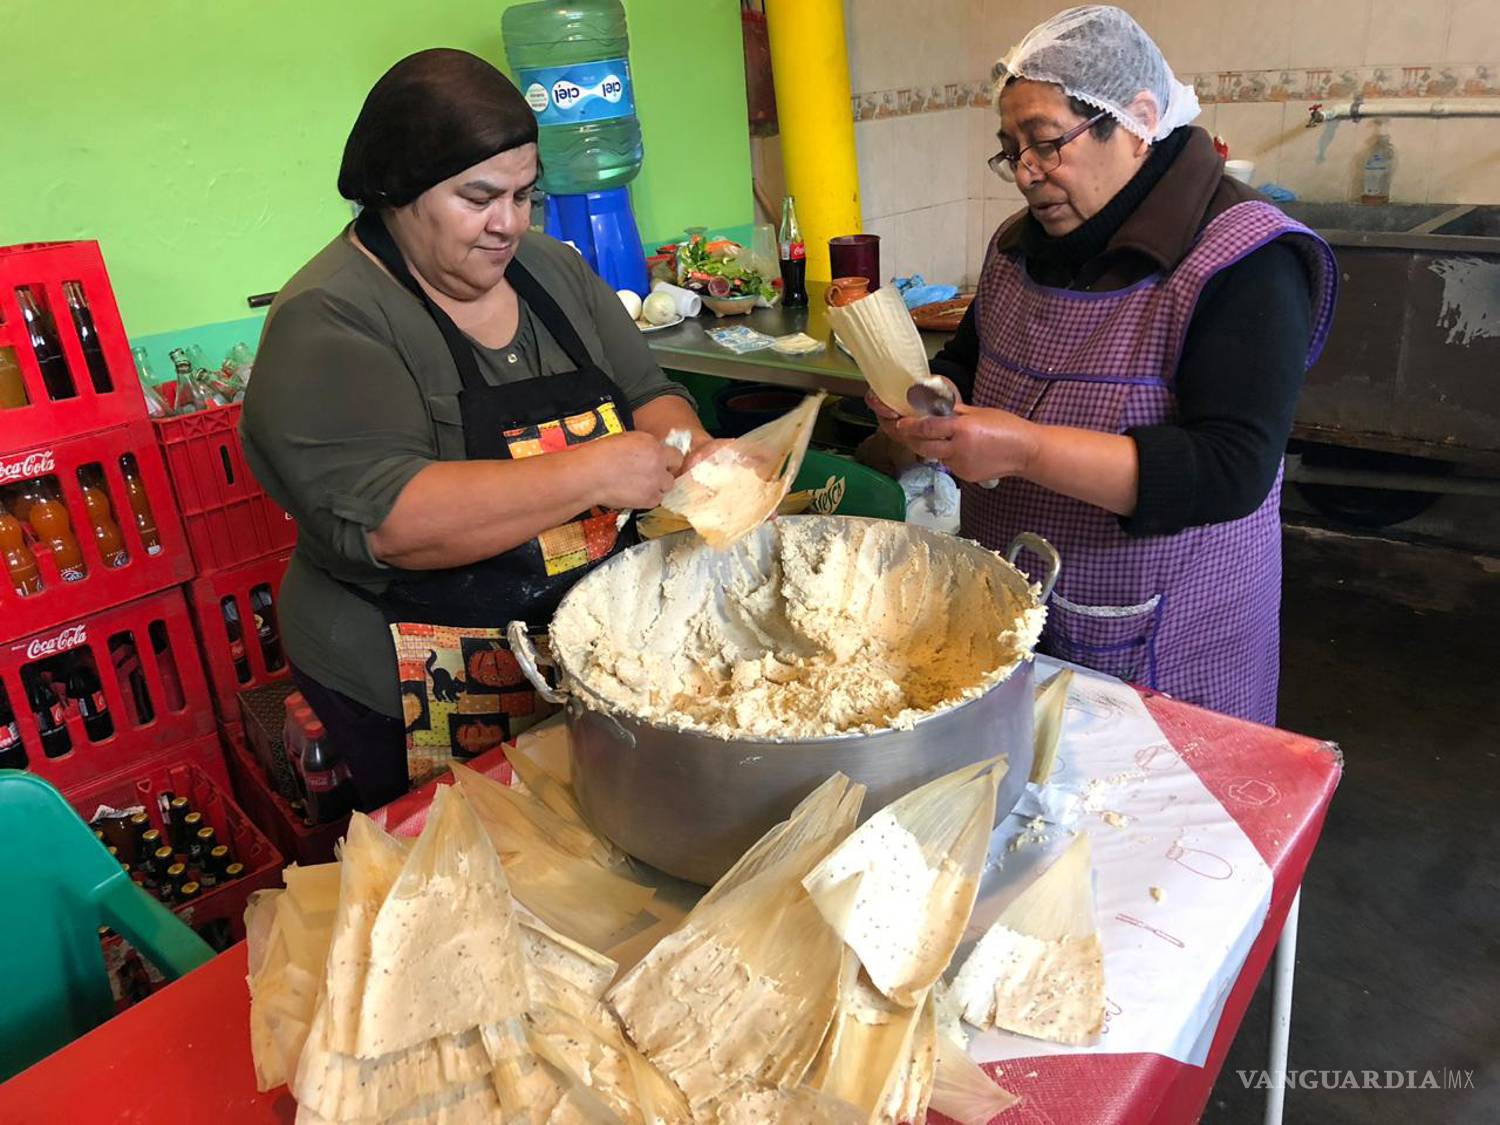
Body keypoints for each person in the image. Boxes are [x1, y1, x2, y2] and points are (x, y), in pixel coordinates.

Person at [243, 50, 714, 808]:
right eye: (479, 197)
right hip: (411, 678)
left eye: (525, 195)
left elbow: (649, 391)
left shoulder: (552, 270)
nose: (510, 223)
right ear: (397, 189)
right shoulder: (330, 319)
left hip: (579, 646)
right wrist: (594, 470)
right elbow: (394, 521)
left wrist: (695, 453)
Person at [865, 6, 1336, 723]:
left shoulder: (1246, 258)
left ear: (1139, 119)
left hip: (1167, 644)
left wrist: (1023, 448)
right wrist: (929, 402)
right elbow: (967, 360)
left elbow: (1229, 468)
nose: (1025, 172)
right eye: (1011, 147)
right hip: (1016, 609)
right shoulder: (1016, 247)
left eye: (1048, 143)